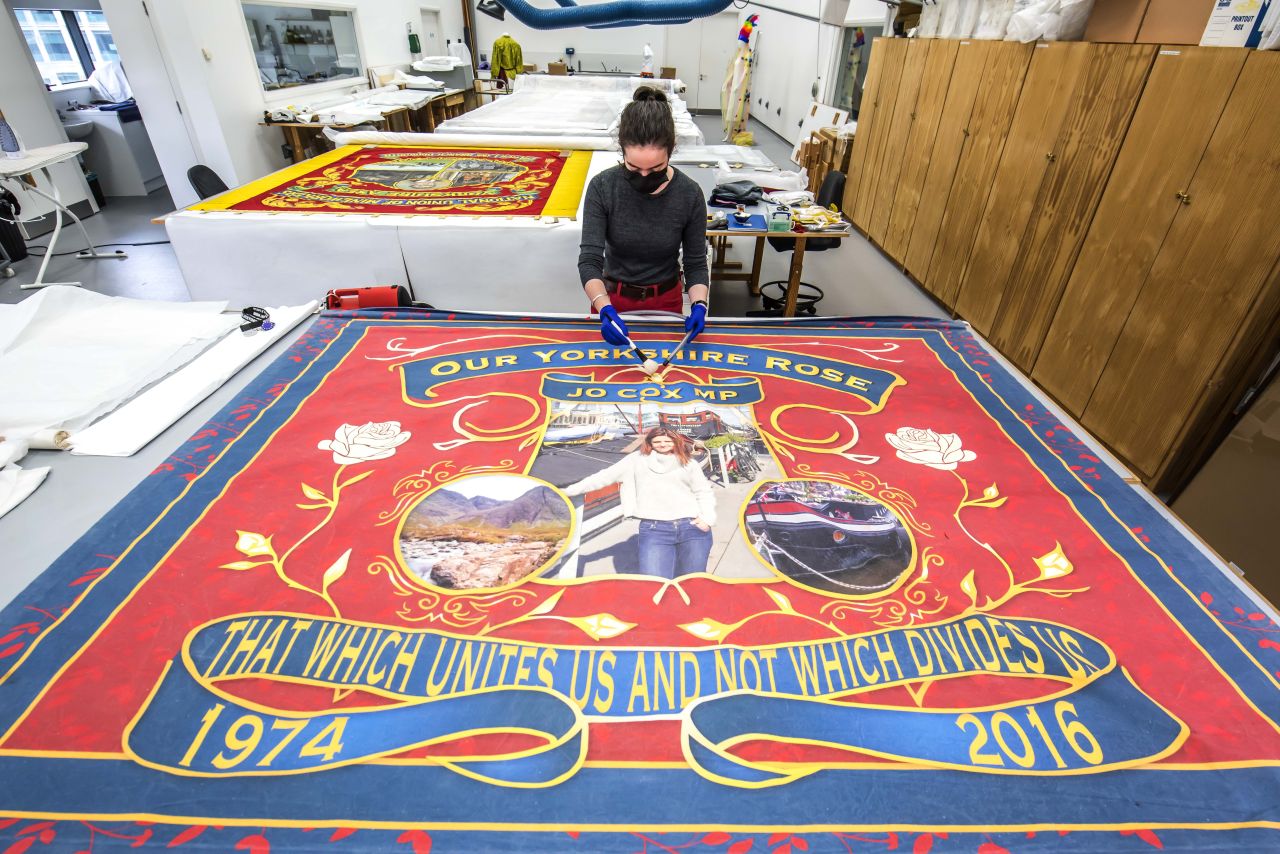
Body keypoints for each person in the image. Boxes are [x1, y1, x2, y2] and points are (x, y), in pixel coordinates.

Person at [578, 86, 709, 349]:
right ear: (622, 152)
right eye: (634, 168)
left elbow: (695, 264)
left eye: (656, 168)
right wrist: (603, 308)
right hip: (612, 301)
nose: (645, 176)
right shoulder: (603, 188)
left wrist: (699, 305)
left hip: (667, 302)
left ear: (671, 152)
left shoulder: (689, 194)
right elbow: (590, 260)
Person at [563, 427, 716, 578]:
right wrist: (567, 491)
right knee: (654, 583)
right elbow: (604, 477)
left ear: (675, 441)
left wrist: (707, 519)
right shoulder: (636, 460)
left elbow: (703, 492)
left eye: (667, 441)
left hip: (692, 528)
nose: (662, 444)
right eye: (657, 441)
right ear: (650, 442)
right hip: (654, 529)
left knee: (692, 582)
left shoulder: (688, 462)